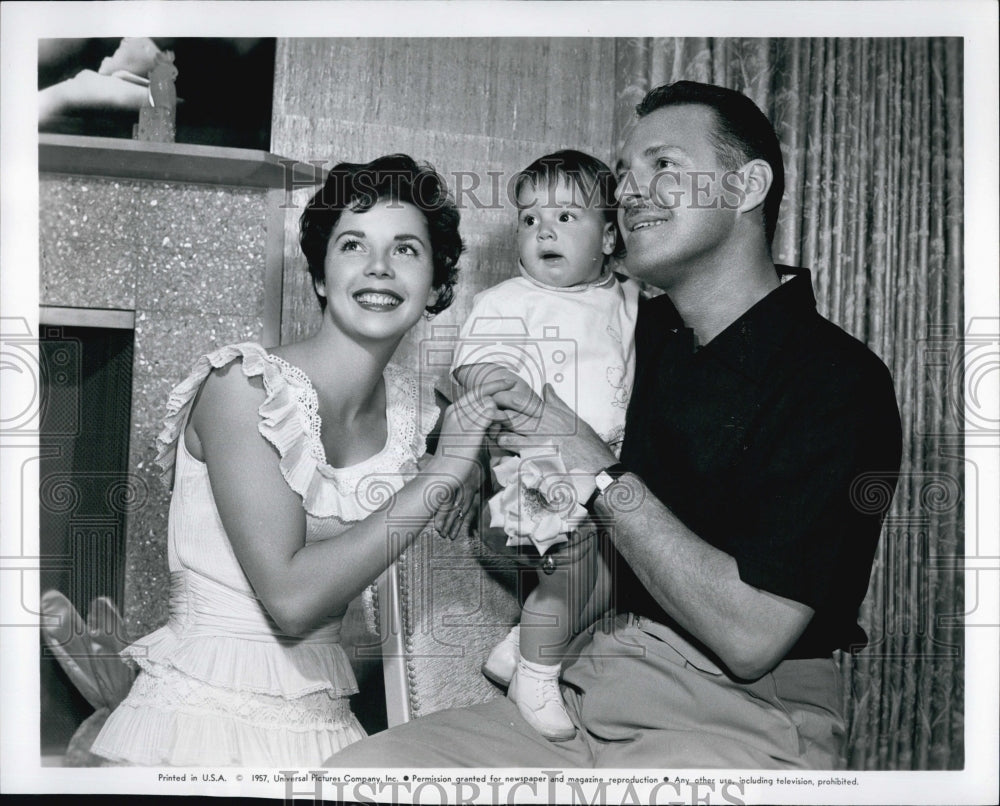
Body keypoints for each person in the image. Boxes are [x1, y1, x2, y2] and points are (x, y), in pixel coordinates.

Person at [329, 81, 903, 769]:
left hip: (742, 722)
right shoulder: (633, 329)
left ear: (748, 185)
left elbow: (752, 636)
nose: (631, 191)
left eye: (662, 164)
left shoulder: (838, 381)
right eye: (625, 174)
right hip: (588, 684)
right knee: (360, 774)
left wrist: (598, 469)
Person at [90, 154, 510, 767]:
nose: (378, 268)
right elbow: (290, 601)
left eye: (406, 250)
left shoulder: (420, 419)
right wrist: (443, 474)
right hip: (195, 729)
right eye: (352, 245)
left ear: (437, 287)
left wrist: (472, 461)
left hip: (328, 729)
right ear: (319, 275)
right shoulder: (244, 387)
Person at [452, 150, 639, 740]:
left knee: (631, 560)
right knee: (584, 559)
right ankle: (535, 668)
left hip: (607, 464)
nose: (544, 232)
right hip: (531, 466)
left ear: (609, 236)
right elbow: (476, 372)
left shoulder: (630, 301)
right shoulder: (509, 301)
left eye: (565, 217)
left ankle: (519, 644)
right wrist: (500, 392)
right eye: (530, 220)